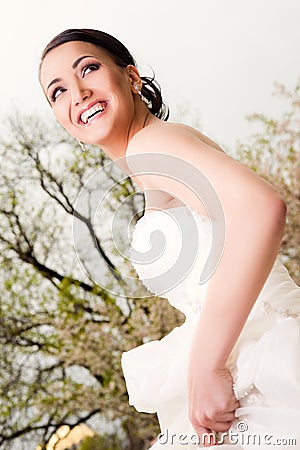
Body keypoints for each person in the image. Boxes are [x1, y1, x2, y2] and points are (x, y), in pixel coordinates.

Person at [39, 29, 300, 449]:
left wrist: (206, 365)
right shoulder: (151, 158)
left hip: (269, 361)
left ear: (132, 78)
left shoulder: (152, 145)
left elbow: (260, 209)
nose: (79, 93)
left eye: (89, 68)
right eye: (58, 92)